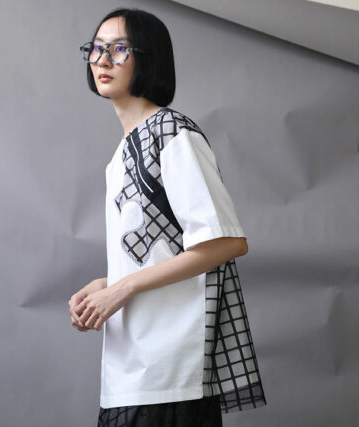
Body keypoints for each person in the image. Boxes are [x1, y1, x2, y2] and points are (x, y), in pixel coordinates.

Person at [67, 7, 267, 426]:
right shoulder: (121, 156)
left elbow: (226, 242)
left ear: (149, 57)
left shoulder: (172, 134)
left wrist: (123, 289)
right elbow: (160, 252)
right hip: (127, 373)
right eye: (97, 49)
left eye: (119, 49)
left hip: (169, 374)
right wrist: (108, 284)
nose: (103, 60)